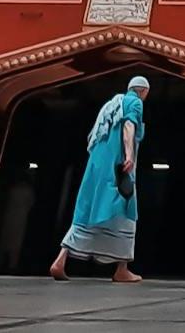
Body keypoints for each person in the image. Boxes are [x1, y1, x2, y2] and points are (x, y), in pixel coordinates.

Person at [49, 75, 149, 283]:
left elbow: (92, 137)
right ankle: (122, 268)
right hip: (118, 165)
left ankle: (60, 260)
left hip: (97, 166)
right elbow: (128, 127)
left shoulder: (109, 105)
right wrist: (129, 155)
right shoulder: (135, 102)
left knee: (88, 210)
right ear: (143, 91)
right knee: (126, 208)